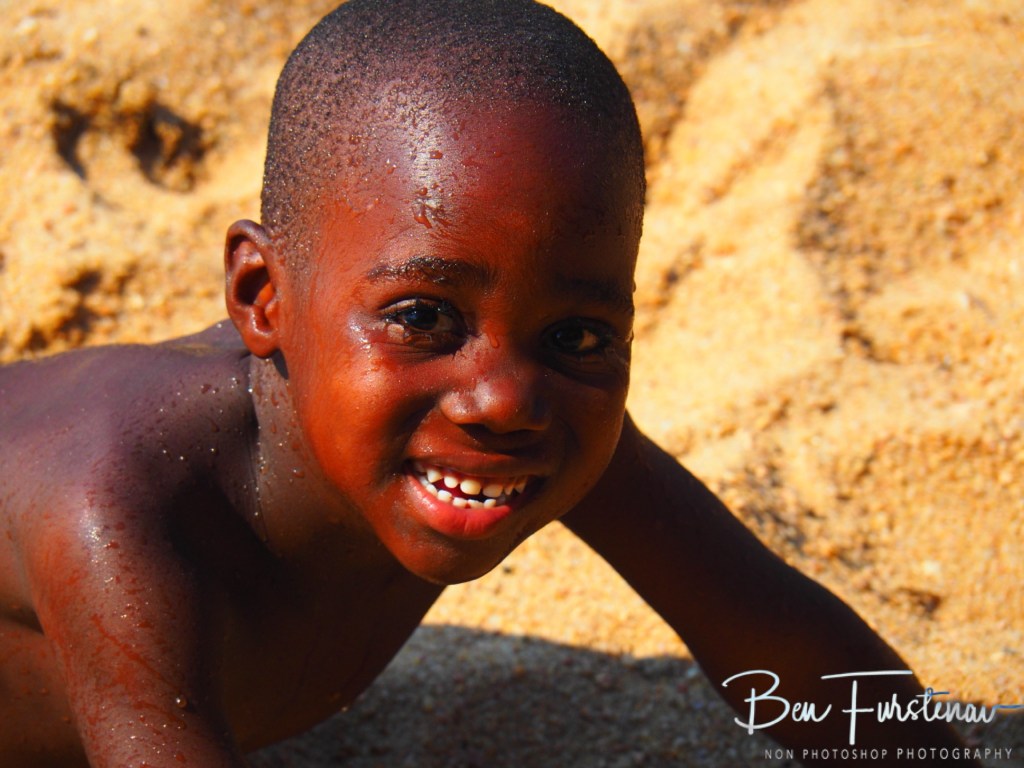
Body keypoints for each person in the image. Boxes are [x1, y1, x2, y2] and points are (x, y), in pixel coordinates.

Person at [0, 1, 976, 765]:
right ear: (262, 295)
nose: (504, 397)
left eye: (577, 333)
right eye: (424, 317)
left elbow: (782, 643)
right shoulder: (120, 511)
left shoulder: (516, 428)